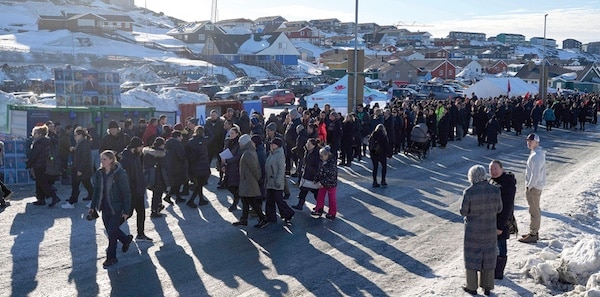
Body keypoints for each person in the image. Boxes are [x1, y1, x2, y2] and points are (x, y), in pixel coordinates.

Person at [459, 165, 503, 296]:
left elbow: (463, 212)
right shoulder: (495, 190)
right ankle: (488, 286)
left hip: (473, 231)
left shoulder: (469, 191)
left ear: (471, 177)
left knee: (472, 257)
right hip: (489, 229)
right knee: (488, 257)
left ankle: (472, 286)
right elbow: (499, 208)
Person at [88, 150, 133, 268]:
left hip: (116, 208)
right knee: (110, 231)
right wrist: (92, 206)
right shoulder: (99, 173)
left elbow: (126, 193)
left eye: (104, 159)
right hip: (104, 208)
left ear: (111, 160)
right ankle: (125, 239)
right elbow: (96, 191)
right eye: (101, 159)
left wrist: (126, 211)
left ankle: (111, 257)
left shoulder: (119, 174)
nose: (102, 162)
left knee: (112, 232)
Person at [119, 137, 153, 242]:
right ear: (134, 147)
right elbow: (125, 178)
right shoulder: (125, 159)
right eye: (140, 147)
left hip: (138, 189)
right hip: (131, 191)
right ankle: (113, 227)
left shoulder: (136, 156)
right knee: (128, 213)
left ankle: (141, 234)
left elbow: (139, 173)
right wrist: (131, 190)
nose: (142, 149)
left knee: (141, 212)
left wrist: (143, 185)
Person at [232, 134, 268, 227]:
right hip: (247, 181)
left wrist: (257, 178)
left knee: (251, 201)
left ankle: (262, 218)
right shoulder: (250, 151)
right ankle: (244, 219)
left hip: (249, 181)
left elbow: (254, 168)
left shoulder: (248, 153)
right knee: (245, 200)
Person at [488, 160, 516, 280]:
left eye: (495, 169)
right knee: (494, 245)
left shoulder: (507, 183)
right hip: (492, 220)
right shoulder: (493, 181)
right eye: (491, 169)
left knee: (501, 245)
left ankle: (498, 273)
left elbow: (507, 207)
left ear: (502, 169)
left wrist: (500, 226)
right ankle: (493, 269)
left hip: (501, 221)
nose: (493, 172)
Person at [519, 133, 546, 244]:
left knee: (534, 210)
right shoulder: (536, 154)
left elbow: (535, 174)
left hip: (534, 187)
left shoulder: (536, 156)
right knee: (534, 209)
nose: (529, 143)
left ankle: (533, 234)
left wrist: (529, 186)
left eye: (531, 141)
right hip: (535, 186)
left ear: (537, 142)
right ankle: (533, 231)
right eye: (528, 141)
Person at [26, 125, 61, 207]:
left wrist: (28, 164)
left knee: (42, 183)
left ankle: (54, 197)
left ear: (39, 134)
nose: (33, 135)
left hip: (39, 165)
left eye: (34, 133)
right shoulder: (46, 141)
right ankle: (41, 199)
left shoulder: (38, 143)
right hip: (45, 164)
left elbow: (34, 155)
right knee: (39, 182)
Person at [264, 137, 295, 225]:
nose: (271, 145)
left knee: (279, 200)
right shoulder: (272, 153)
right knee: (269, 200)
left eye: (273, 144)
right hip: (270, 181)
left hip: (276, 182)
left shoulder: (280, 155)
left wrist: (278, 181)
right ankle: (271, 217)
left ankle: (288, 213)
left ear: (277, 145)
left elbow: (281, 170)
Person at [62, 127, 94, 208]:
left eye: (75, 135)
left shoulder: (84, 144)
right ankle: (73, 200)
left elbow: (85, 158)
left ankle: (92, 200)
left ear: (81, 135)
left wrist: (80, 169)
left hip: (82, 169)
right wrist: (74, 150)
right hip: (78, 168)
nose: (74, 137)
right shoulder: (80, 144)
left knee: (86, 185)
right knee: (77, 185)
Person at [185, 126, 212, 207]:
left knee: (198, 183)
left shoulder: (190, 142)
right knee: (200, 184)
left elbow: (187, 153)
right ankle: (191, 200)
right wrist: (206, 127)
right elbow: (211, 136)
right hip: (203, 164)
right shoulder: (204, 141)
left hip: (193, 165)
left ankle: (201, 199)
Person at [143, 137, 169, 218]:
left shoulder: (147, 153)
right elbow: (164, 169)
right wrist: (167, 182)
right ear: (161, 145)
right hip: (159, 177)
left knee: (156, 193)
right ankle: (154, 210)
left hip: (150, 177)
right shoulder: (161, 154)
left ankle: (159, 206)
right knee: (157, 194)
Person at [292, 138, 321, 210]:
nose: (307, 145)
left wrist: (316, 176)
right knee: (303, 190)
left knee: (315, 192)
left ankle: (320, 207)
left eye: (309, 144)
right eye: (307, 144)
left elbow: (318, 166)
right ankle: (300, 205)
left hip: (313, 175)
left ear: (314, 145)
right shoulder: (307, 151)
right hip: (306, 174)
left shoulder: (317, 154)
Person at [311, 146, 338, 220]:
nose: (321, 158)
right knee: (320, 196)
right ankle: (318, 209)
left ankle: (332, 213)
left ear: (327, 155)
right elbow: (320, 172)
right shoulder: (322, 162)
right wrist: (316, 179)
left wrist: (322, 182)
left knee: (332, 199)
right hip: (323, 183)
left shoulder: (332, 164)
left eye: (322, 156)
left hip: (331, 184)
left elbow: (331, 176)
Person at [164, 131, 188, 204]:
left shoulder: (167, 143)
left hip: (170, 165)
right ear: (178, 137)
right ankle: (168, 196)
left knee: (176, 182)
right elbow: (181, 156)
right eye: (181, 136)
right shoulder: (177, 144)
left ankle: (178, 197)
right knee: (177, 183)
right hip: (178, 166)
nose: (182, 138)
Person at [223, 126, 242, 212]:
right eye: (230, 133)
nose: (230, 135)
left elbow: (238, 156)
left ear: (237, 134)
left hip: (235, 167)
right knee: (227, 185)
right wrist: (223, 164)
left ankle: (235, 202)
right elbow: (224, 152)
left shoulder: (239, 144)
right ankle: (238, 197)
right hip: (228, 167)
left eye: (232, 133)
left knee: (233, 185)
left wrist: (227, 160)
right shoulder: (228, 141)